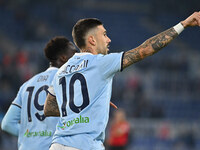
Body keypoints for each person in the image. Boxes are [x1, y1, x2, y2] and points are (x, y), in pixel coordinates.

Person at [44, 12, 200, 150]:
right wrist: (183, 25)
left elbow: (48, 108)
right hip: (84, 145)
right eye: (104, 34)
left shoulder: (62, 70)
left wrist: (87, 104)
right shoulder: (100, 63)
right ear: (92, 40)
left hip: (57, 144)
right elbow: (145, 49)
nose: (108, 39)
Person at [1, 36, 77, 150]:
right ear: (63, 58)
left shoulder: (27, 85)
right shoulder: (66, 82)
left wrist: (29, 136)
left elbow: (7, 124)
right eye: (74, 55)